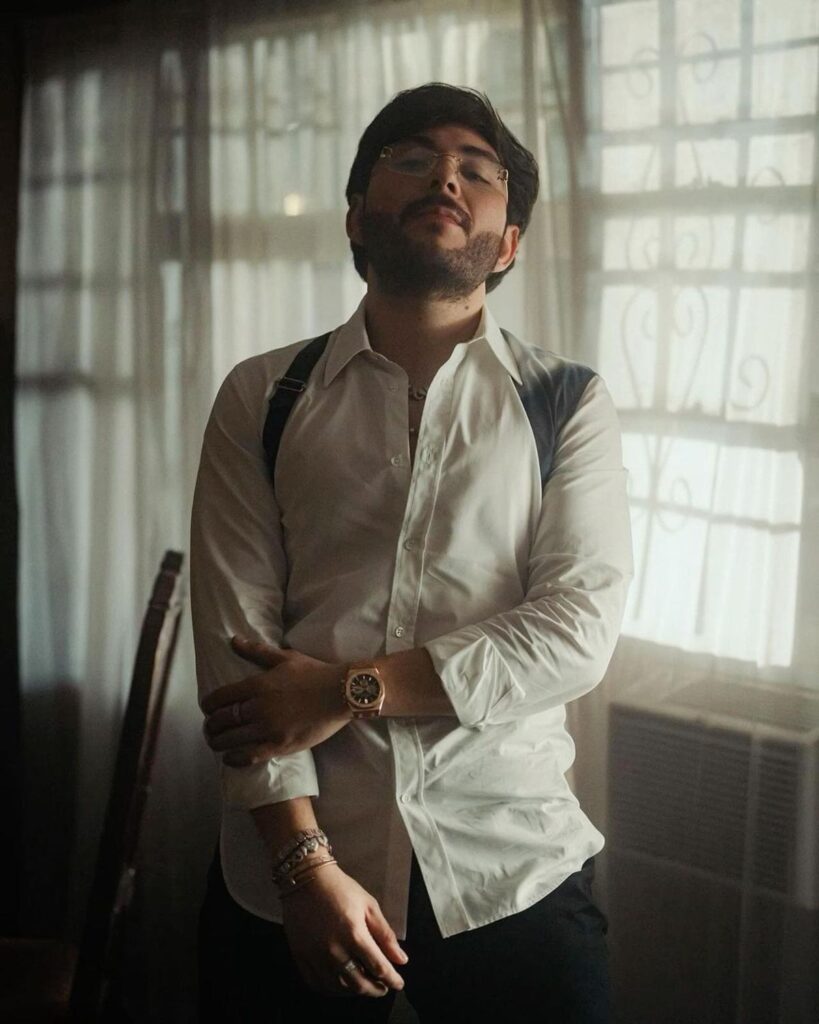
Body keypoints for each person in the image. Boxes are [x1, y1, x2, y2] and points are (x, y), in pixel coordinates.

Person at [191, 81, 633, 1023]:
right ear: (357, 217)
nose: (446, 178)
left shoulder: (566, 401)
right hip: (294, 866)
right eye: (413, 158)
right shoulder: (262, 395)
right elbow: (238, 654)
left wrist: (344, 690)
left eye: (479, 170)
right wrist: (304, 866)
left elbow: (575, 632)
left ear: (506, 244)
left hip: (506, 863)